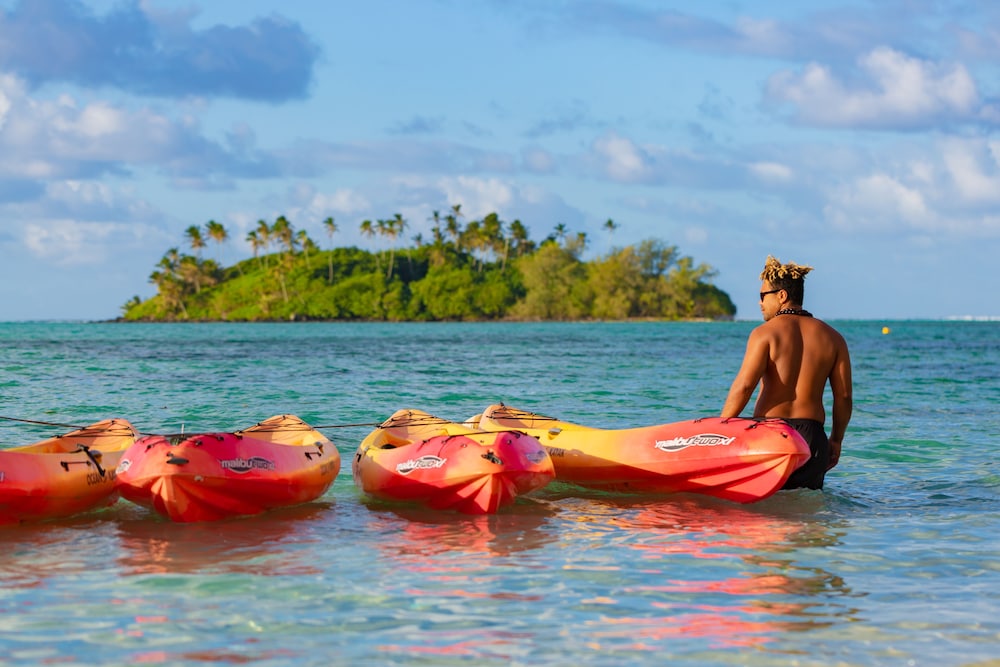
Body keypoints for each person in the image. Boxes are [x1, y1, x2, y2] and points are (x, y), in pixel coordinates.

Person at [721, 256, 852, 489]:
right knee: (806, 515)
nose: (759, 302)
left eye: (763, 296)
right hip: (812, 440)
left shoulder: (765, 334)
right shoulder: (834, 338)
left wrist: (719, 430)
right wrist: (836, 440)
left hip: (770, 435)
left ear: (781, 296)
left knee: (765, 512)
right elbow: (843, 397)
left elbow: (744, 387)